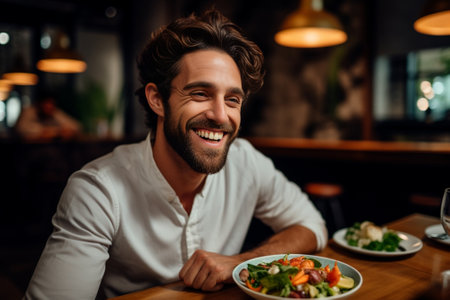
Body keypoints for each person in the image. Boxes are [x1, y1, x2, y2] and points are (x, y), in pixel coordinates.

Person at [24, 9, 327, 299]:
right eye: (200, 93)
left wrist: (242, 262)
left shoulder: (245, 160)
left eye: (233, 99)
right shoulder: (98, 190)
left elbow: (311, 226)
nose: (221, 115)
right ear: (157, 99)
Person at [15, 92, 81, 141]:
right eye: (46, 106)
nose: (48, 108)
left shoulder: (55, 112)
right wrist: (50, 131)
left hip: (49, 149)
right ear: (39, 104)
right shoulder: (29, 111)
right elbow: (21, 128)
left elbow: (76, 126)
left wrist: (60, 131)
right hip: (26, 150)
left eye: (51, 105)